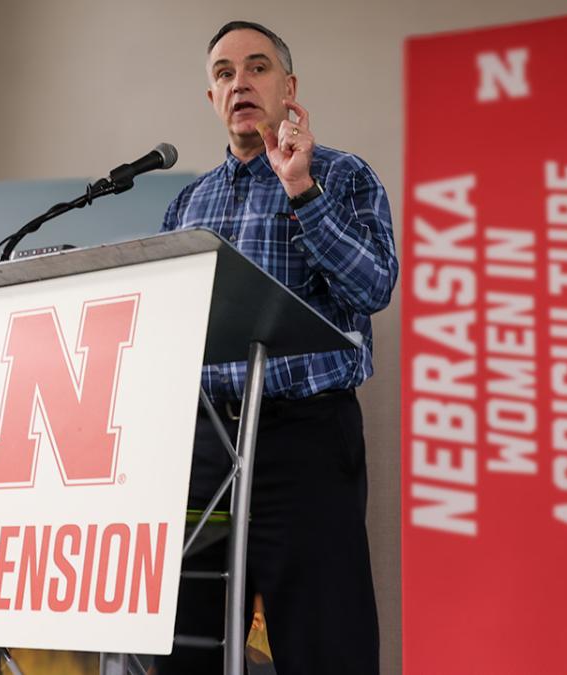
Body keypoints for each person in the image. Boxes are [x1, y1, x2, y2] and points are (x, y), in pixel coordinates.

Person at [154, 20, 397, 675]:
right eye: (225, 73)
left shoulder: (342, 176)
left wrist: (301, 189)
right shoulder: (187, 202)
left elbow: (374, 286)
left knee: (325, 642)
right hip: (207, 442)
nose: (240, 83)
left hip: (305, 440)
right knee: (185, 644)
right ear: (212, 98)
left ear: (288, 88)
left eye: (257, 67)